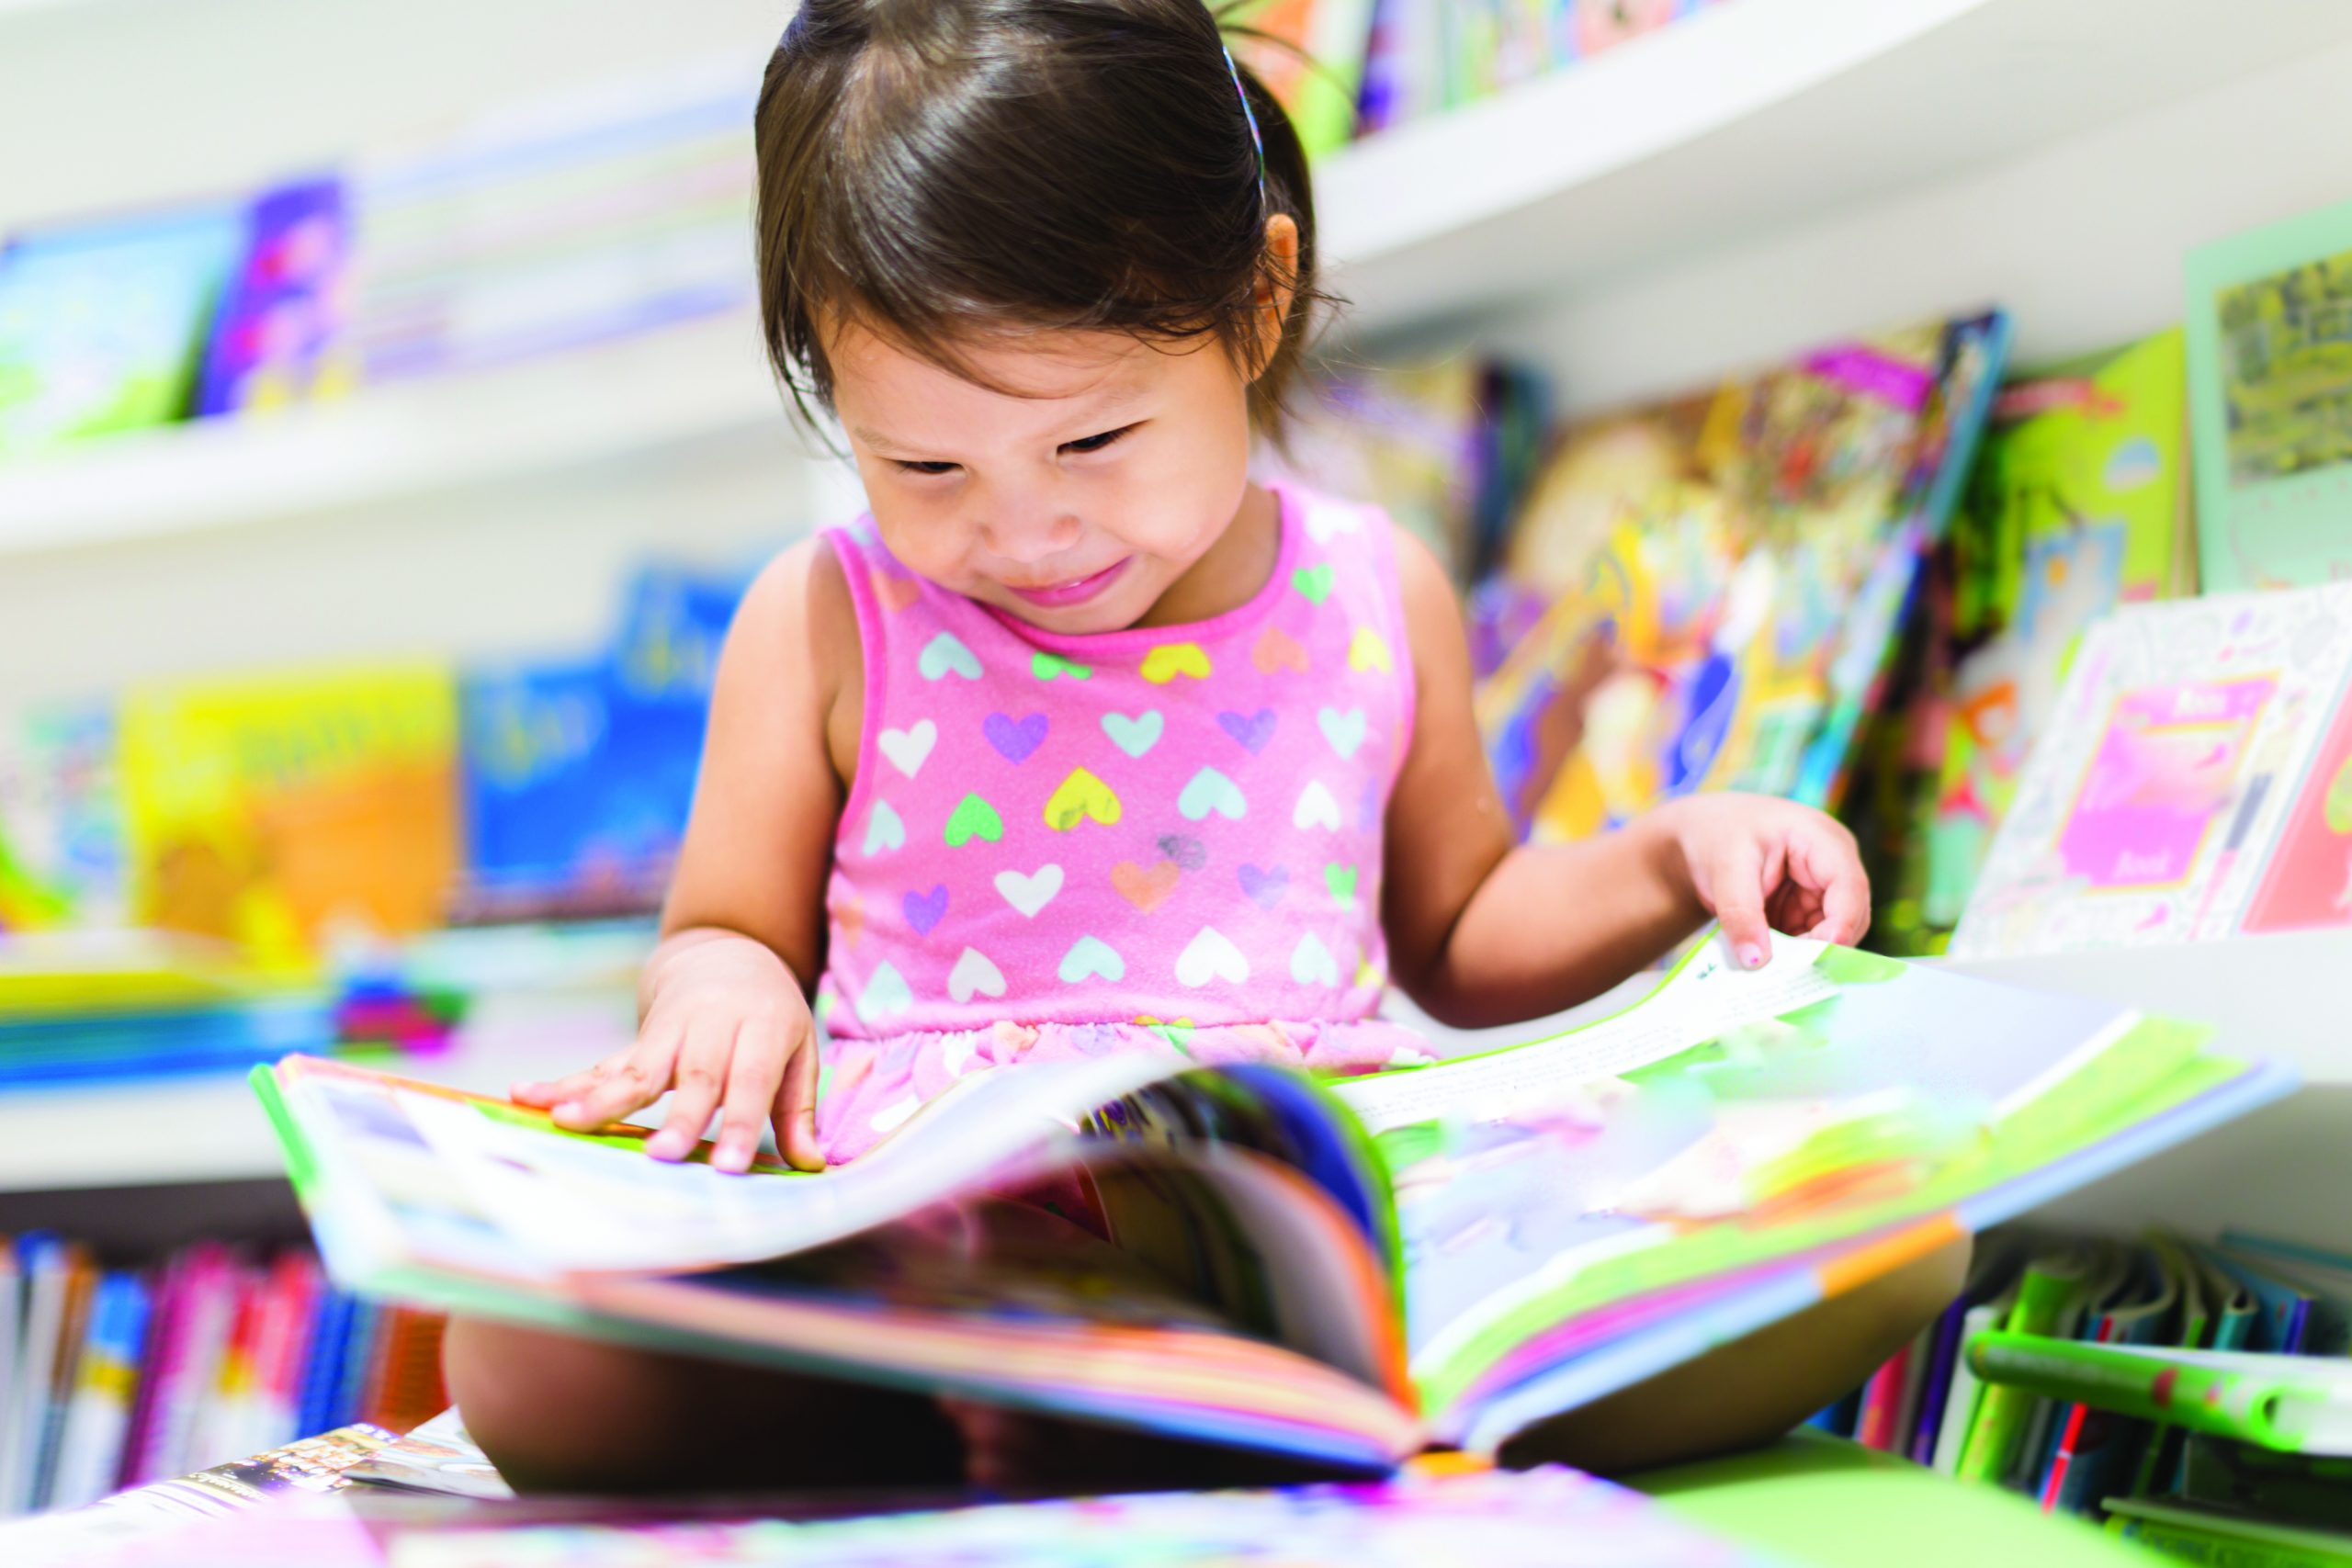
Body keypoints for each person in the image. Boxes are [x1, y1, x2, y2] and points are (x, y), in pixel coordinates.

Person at [444, 0, 1966, 1495]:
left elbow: (1460, 936)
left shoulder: (1376, 591)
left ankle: (1168, 1411)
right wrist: (721, 997)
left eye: (1092, 442)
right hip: (943, 1238)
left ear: (1257, 302)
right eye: (923, 464)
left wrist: (1670, 857)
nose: (1025, 530)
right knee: (517, 1365)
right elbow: (724, 929)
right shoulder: (829, 619)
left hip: (1301, 1225)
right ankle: (1071, 1410)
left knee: (1892, 1239)